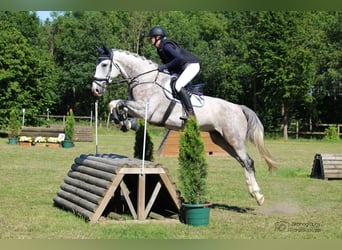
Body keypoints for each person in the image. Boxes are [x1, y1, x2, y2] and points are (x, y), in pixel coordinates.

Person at [149, 26, 200, 120]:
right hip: (183, 67)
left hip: (191, 65)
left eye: (151, 37)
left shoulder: (166, 46)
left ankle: (191, 114)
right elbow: (173, 64)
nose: (150, 39)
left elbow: (179, 58)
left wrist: (165, 66)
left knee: (178, 86)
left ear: (158, 37)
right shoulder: (159, 49)